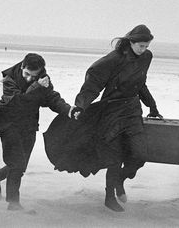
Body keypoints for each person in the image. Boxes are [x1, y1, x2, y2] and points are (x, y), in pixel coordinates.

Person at [44, 24, 162, 212]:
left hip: (132, 110)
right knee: (114, 157)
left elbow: (140, 83)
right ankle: (109, 198)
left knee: (139, 155)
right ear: (131, 42)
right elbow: (93, 83)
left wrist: (152, 105)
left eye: (146, 46)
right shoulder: (113, 60)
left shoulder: (146, 57)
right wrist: (81, 105)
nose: (144, 50)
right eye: (141, 46)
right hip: (111, 112)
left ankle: (120, 181)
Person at [0, 53, 71, 211]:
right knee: (17, 164)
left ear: (41, 71)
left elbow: (52, 98)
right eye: (27, 74)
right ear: (22, 66)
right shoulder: (10, 79)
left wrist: (69, 110)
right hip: (7, 124)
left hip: (29, 125)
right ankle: (13, 203)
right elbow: (17, 102)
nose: (29, 78)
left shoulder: (43, 79)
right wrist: (37, 86)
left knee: (20, 167)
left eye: (33, 76)